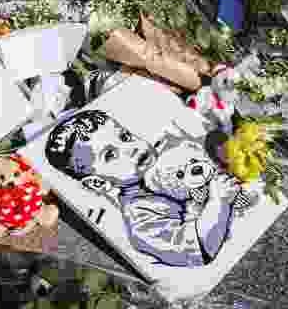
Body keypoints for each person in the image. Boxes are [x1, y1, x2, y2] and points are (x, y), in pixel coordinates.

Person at [44, 109, 239, 267]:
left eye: (125, 136)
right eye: (111, 155)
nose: (132, 148)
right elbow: (201, 248)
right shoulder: (140, 217)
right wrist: (219, 200)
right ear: (99, 183)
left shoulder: (169, 154)